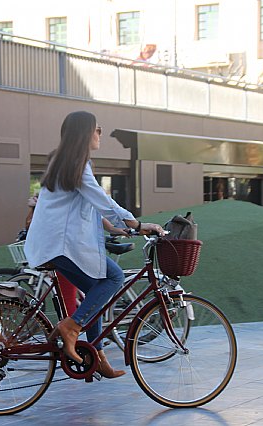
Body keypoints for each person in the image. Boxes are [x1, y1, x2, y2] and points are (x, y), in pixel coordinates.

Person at [24, 111, 164, 378]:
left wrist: (118, 227)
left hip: (53, 243)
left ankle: (96, 356)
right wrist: (137, 224)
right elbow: (102, 200)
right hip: (59, 245)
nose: (100, 133)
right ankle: (72, 327)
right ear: (84, 132)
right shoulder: (77, 164)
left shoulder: (64, 162)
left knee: (95, 293)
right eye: (97, 129)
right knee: (114, 277)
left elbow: (87, 207)